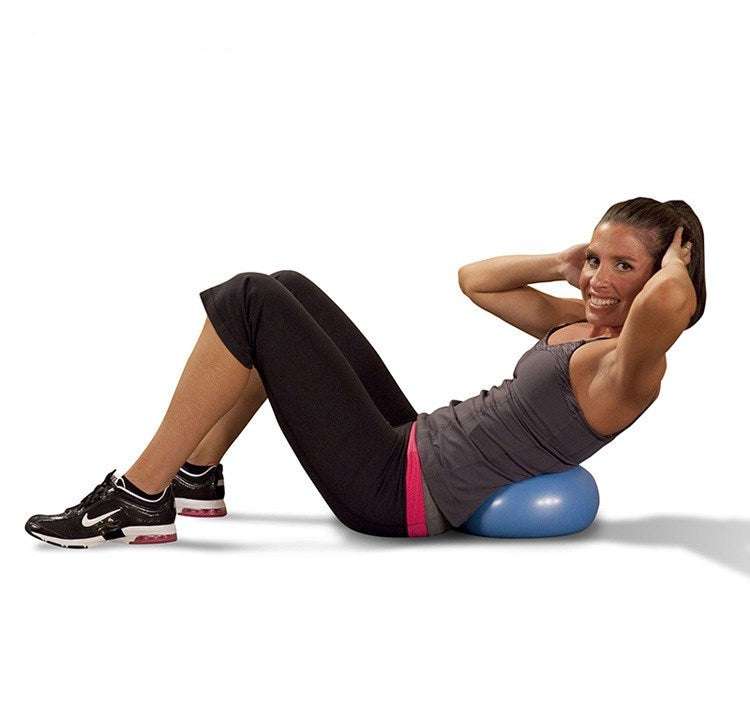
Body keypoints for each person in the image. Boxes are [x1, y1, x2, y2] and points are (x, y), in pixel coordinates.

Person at [25, 197, 706, 548]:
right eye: (598, 259)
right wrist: (565, 262)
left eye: (624, 267)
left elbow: (673, 305)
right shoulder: (578, 323)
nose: (600, 278)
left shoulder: (627, 368)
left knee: (249, 299)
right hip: (411, 439)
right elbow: (476, 282)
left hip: (400, 492)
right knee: (287, 287)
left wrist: (677, 265)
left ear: (658, 279)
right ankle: (197, 476)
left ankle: (141, 496)